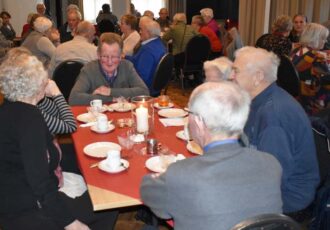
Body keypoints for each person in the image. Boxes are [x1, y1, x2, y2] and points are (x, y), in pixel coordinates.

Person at [0, 48, 118, 230]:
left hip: (13, 199)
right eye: (44, 78)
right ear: (36, 84)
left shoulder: (11, 108)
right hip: (27, 211)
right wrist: (71, 223)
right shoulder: (29, 118)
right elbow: (40, 184)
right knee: (108, 204)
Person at [140, 81, 283, 230]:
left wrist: (165, 174)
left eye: (189, 113)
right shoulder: (272, 164)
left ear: (199, 121)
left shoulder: (181, 174)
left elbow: (148, 193)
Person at [232, 46, 320, 219]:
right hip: (269, 181)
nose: (231, 76)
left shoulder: (274, 117)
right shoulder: (258, 100)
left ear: (258, 77)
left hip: (288, 200)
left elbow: (272, 179)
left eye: (236, 71)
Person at [69, 32, 149, 105]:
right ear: (98, 54)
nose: (109, 62)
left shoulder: (127, 67)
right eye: (105, 56)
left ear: (121, 56)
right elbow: (74, 98)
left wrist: (110, 91)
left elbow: (144, 92)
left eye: (114, 57)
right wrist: (111, 99)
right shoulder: (89, 70)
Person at [290, 23, 330, 115]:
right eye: (323, 38)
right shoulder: (317, 57)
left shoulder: (297, 50)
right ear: (315, 38)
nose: (325, 41)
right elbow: (327, 79)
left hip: (295, 92)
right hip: (309, 97)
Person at [126, 18, 166, 96]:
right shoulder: (159, 43)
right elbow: (138, 60)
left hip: (146, 88)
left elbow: (142, 76)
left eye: (142, 30)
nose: (140, 32)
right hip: (156, 86)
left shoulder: (147, 50)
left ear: (149, 33)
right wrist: (125, 57)